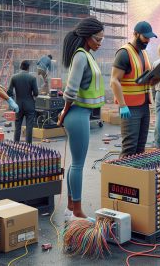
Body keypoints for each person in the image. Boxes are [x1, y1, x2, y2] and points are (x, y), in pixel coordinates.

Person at [57, 17, 105, 220]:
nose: (100, 42)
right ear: (87, 37)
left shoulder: (86, 55)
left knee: (75, 164)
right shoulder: (81, 57)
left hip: (80, 114)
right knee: (78, 165)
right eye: (97, 38)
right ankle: (77, 211)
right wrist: (64, 111)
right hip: (77, 114)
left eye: (102, 38)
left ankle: (70, 207)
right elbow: (70, 92)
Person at [110, 21, 160, 157]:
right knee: (129, 148)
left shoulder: (144, 54)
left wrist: (159, 77)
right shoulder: (124, 53)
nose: (147, 40)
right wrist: (122, 105)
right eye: (145, 37)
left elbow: (146, 83)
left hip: (143, 106)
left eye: (149, 38)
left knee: (140, 148)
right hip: (129, 108)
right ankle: (120, 177)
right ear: (135, 34)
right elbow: (114, 80)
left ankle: (136, 177)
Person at [7, 60, 38, 143]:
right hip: (30, 105)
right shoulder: (32, 78)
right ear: (28, 68)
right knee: (29, 127)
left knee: (17, 126)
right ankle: (28, 146)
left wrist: (13, 101)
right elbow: (36, 93)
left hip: (18, 105)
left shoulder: (14, 77)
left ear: (20, 67)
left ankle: (16, 145)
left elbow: (9, 92)